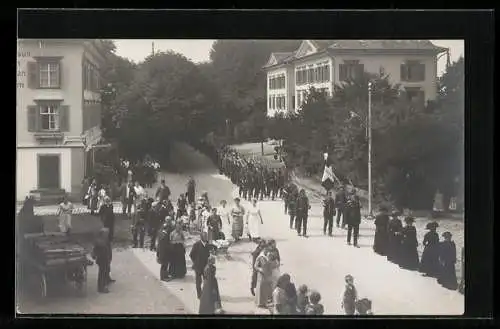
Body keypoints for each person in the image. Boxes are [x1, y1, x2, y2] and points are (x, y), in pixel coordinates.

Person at [190, 232, 211, 299]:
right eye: (205, 236)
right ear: (201, 237)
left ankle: (205, 293)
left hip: (205, 267)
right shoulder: (196, 245)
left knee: (206, 281)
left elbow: (208, 255)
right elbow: (191, 255)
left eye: (206, 236)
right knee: (198, 282)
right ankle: (199, 295)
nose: (206, 238)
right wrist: (195, 262)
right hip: (198, 267)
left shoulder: (207, 245)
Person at [92, 228, 112, 293]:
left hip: (106, 259)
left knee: (104, 273)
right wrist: (94, 256)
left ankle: (103, 286)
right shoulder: (99, 241)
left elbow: (108, 250)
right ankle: (101, 288)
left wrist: (109, 258)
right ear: (103, 234)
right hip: (102, 260)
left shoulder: (105, 240)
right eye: (106, 233)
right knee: (102, 274)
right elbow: (95, 250)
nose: (107, 235)